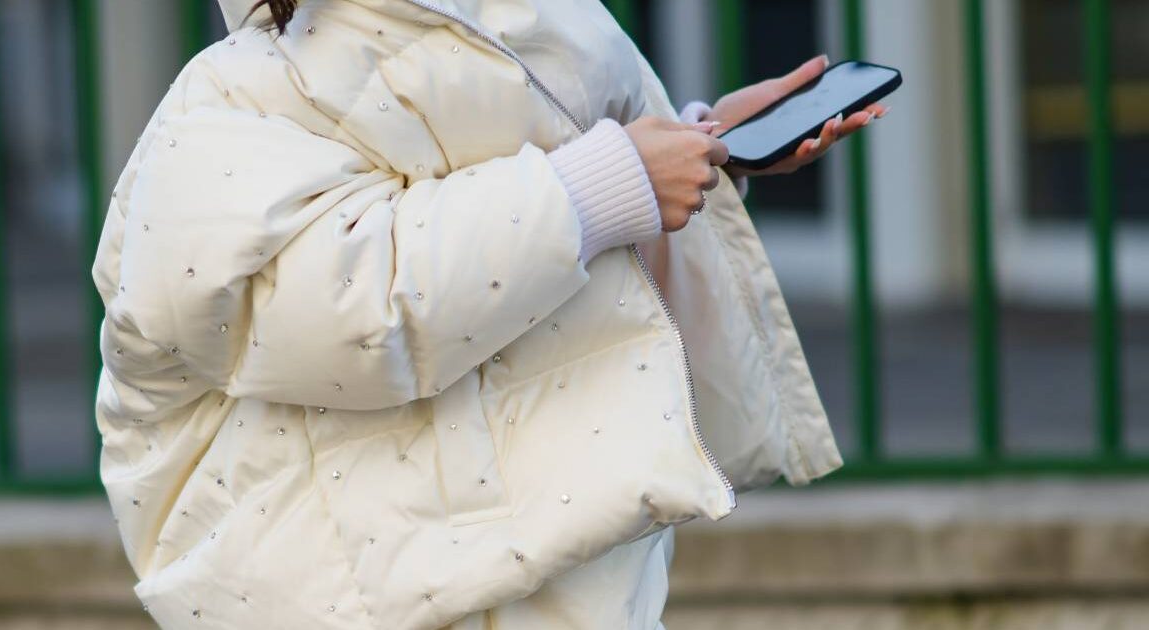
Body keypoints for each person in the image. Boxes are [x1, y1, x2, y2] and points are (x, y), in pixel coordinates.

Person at [92, 0, 883, 627]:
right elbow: (340, 306)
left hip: (541, 564)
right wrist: (608, 183)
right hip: (364, 581)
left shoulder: (512, 23)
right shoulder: (235, 95)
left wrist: (698, 149)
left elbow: (543, 240)